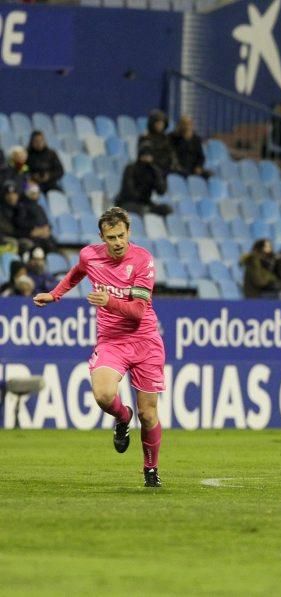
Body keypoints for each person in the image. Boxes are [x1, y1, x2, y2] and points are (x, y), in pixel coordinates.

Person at [32, 207, 165, 488]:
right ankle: (122, 417)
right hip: (112, 340)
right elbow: (77, 273)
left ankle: (150, 470)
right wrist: (55, 295)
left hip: (145, 341)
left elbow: (139, 311)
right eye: (111, 237)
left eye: (121, 235)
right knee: (104, 395)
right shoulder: (90, 255)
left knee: (148, 413)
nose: (117, 242)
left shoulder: (143, 260)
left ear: (129, 232)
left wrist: (109, 302)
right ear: (101, 237)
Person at [115, 145, 171, 217]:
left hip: (145, 203)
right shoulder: (131, 168)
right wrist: (142, 199)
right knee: (143, 209)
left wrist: (158, 175)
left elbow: (161, 192)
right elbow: (129, 191)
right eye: (145, 155)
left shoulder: (153, 171)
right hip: (127, 202)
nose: (147, 158)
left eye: (149, 156)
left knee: (167, 209)